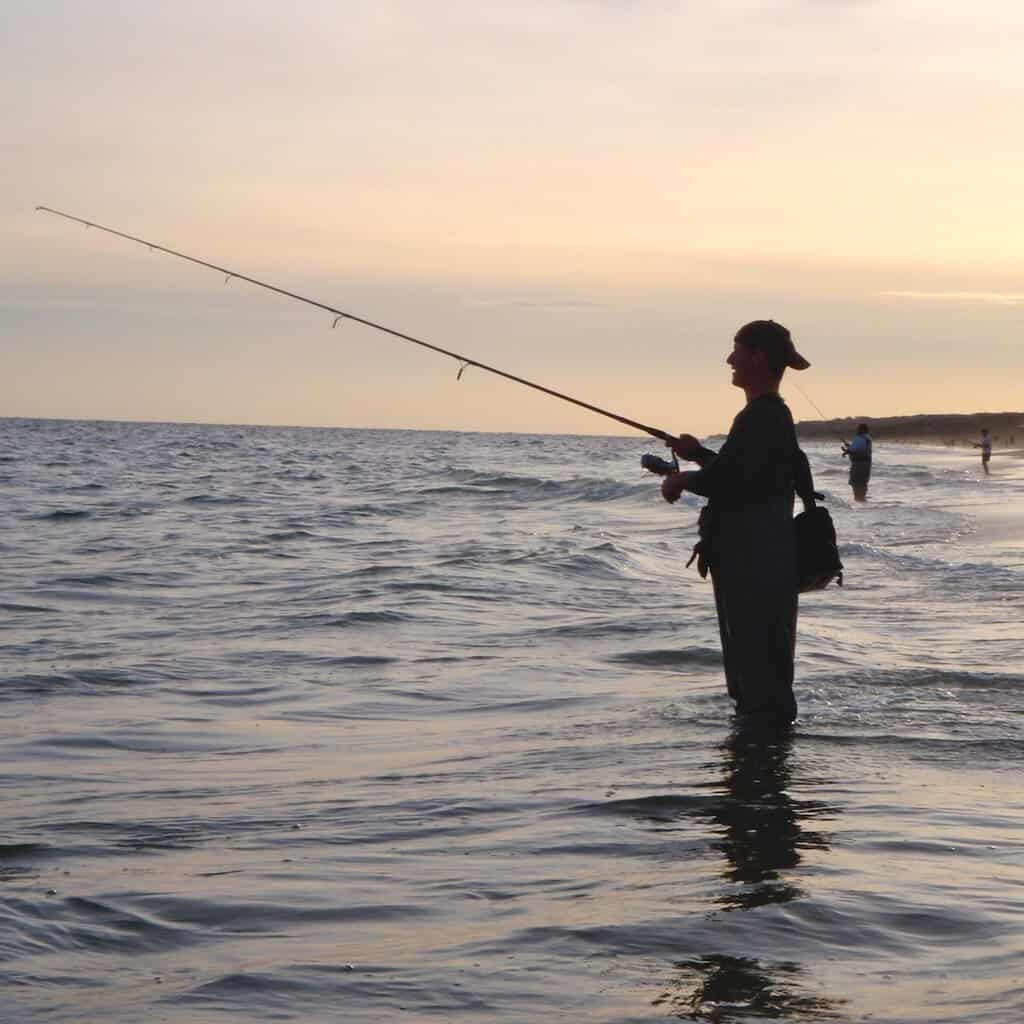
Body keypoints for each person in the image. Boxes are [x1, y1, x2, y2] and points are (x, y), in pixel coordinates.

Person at [660, 320, 813, 729]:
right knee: (760, 667)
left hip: (754, 561)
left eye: (736, 351)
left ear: (758, 357)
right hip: (763, 556)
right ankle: (760, 764)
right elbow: (745, 472)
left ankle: (760, 771)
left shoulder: (762, 416)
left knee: (758, 669)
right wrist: (697, 455)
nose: (730, 359)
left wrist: (681, 480)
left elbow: (729, 481)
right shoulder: (767, 416)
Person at [841, 423, 872, 501]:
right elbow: (857, 448)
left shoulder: (861, 438)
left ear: (862, 430)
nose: (857, 430)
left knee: (857, 484)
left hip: (859, 466)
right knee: (862, 484)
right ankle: (862, 502)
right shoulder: (866, 438)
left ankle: (859, 502)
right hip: (865, 465)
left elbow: (853, 449)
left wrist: (846, 451)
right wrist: (848, 446)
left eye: (858, 429)